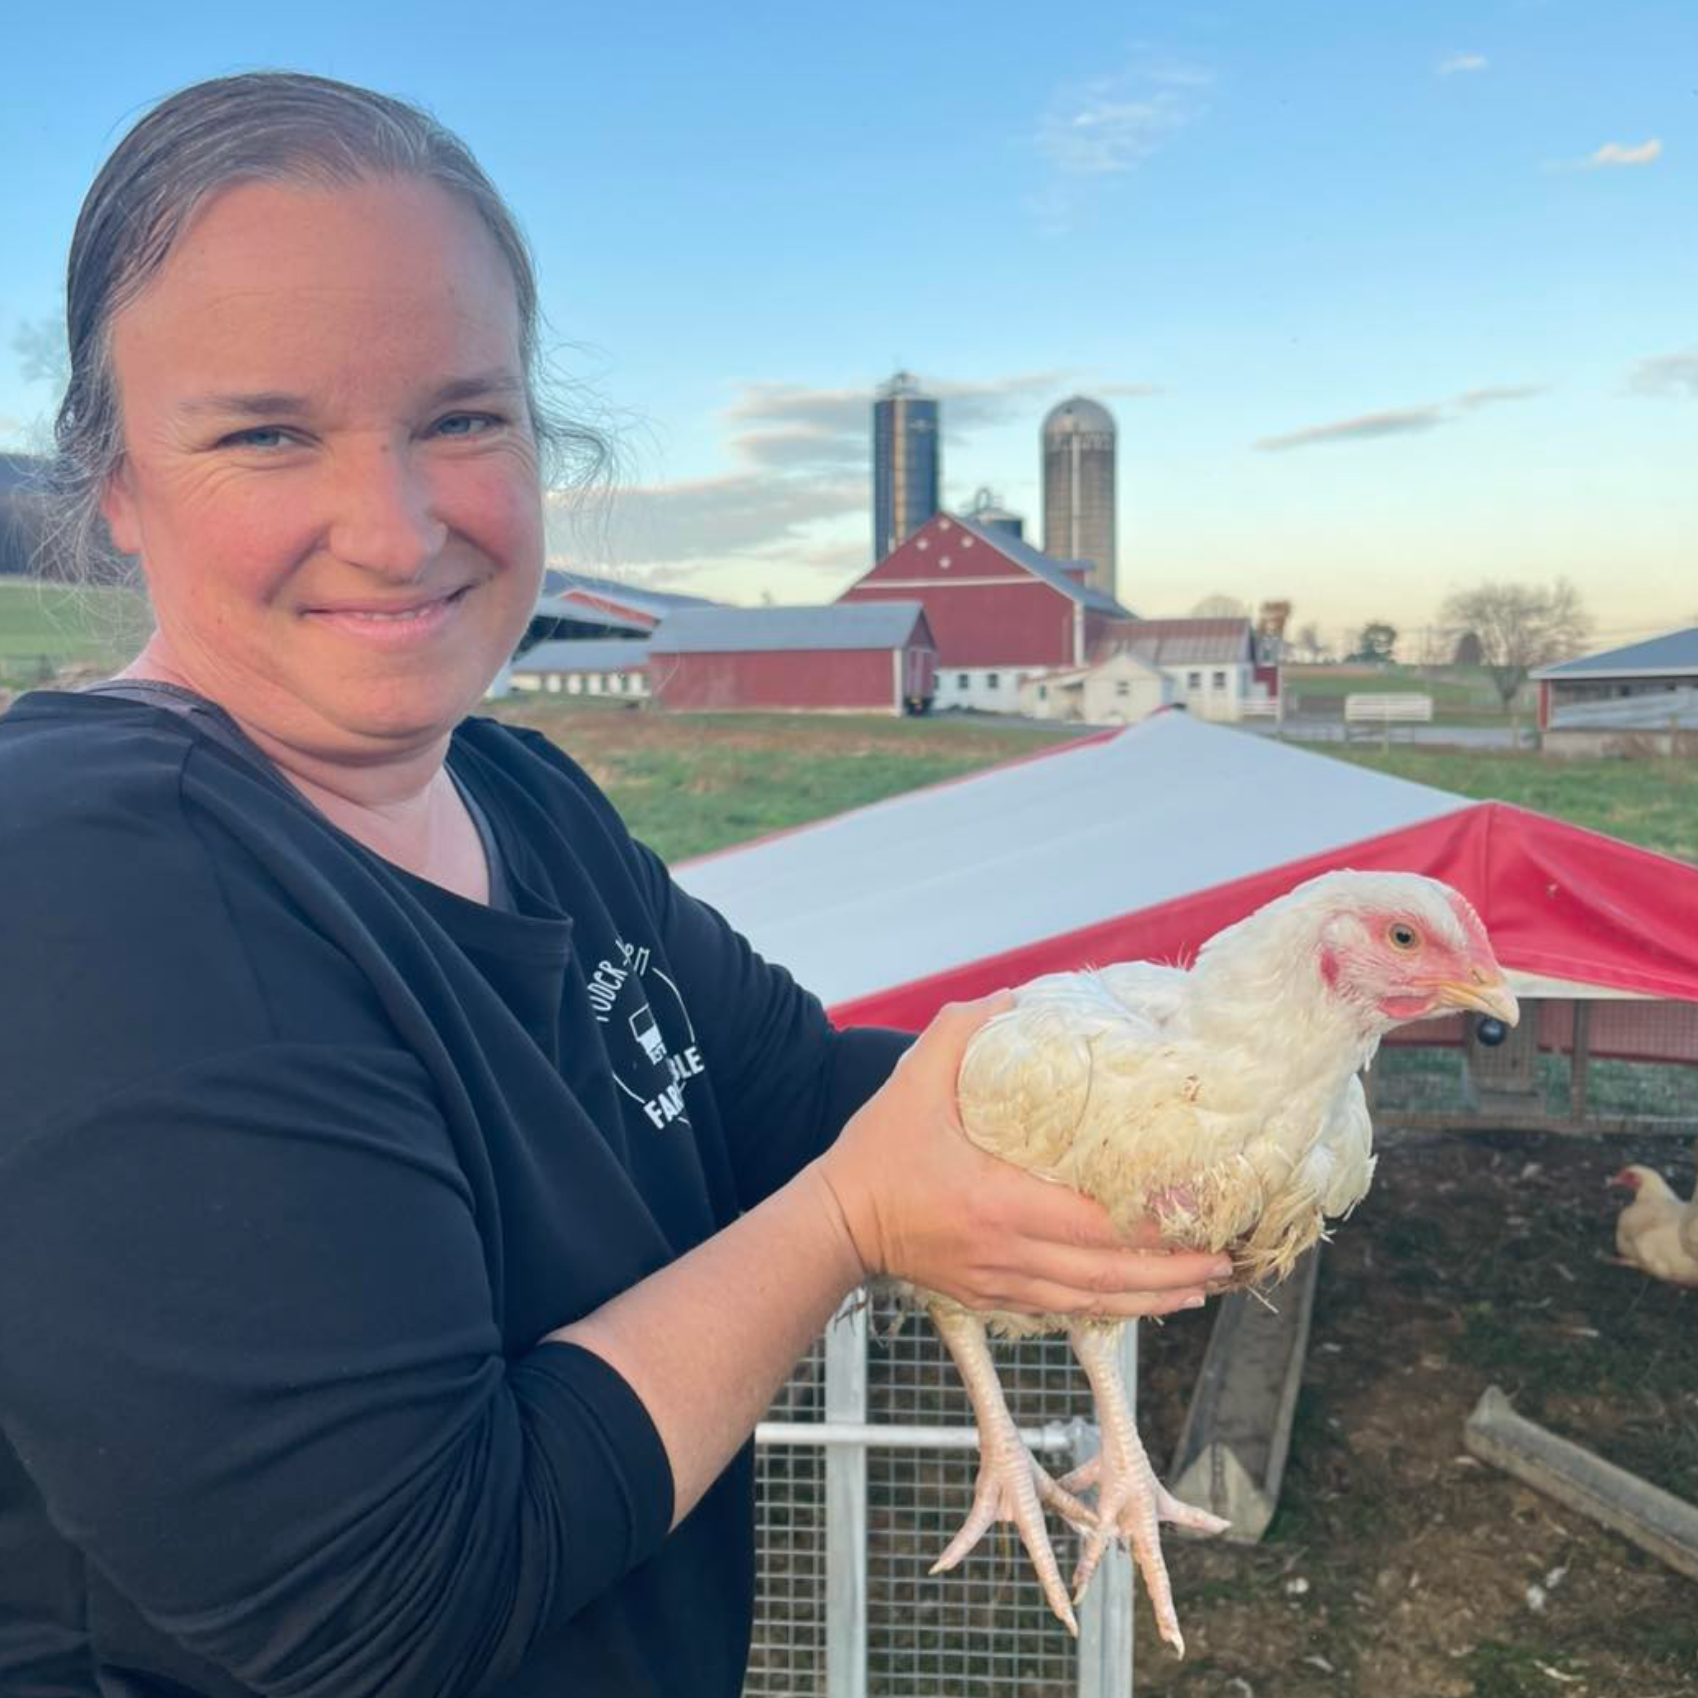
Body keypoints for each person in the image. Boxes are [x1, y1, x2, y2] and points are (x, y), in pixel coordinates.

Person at [0, 72, 1229, 1698]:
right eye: (266, 432)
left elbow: (795, 1093)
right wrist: (847, 1227)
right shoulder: (96, 874)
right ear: (116, 485)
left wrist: (1193, 1082)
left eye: (459, 417)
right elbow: (384, 1608)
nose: (394, 525)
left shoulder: (522, 795)